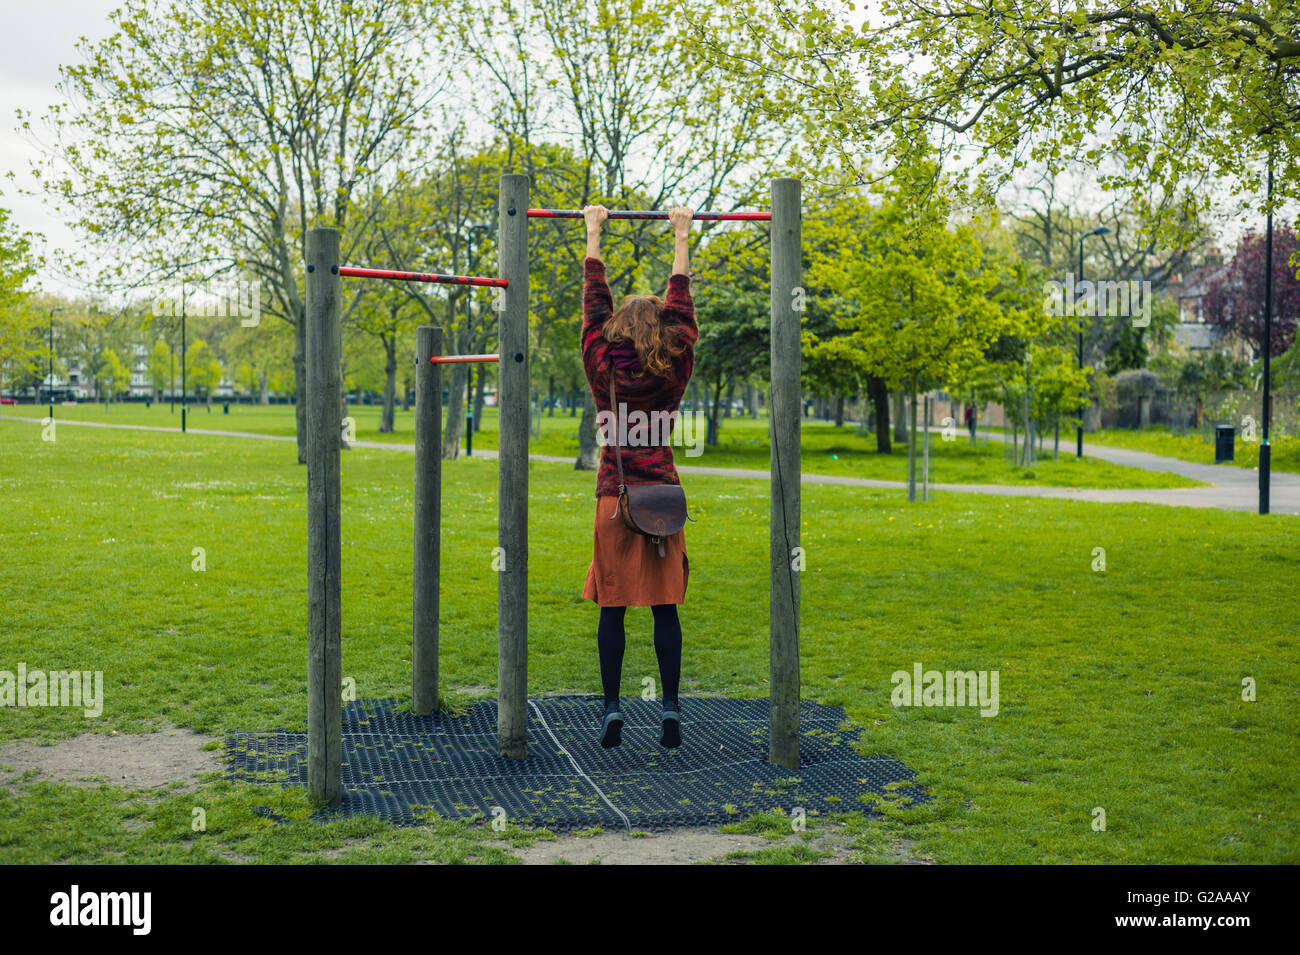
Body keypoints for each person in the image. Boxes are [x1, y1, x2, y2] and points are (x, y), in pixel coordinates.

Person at [579, 203, 697, 750]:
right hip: (660, 499)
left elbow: (592, 306)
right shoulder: (674, 366)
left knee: (613, 606)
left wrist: (594, 233)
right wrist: (681, 235)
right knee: (665, 606)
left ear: (617, 330)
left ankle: (612, 707)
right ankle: (669, 706)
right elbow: (682, 310)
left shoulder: (603, 367)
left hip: (614, 498)